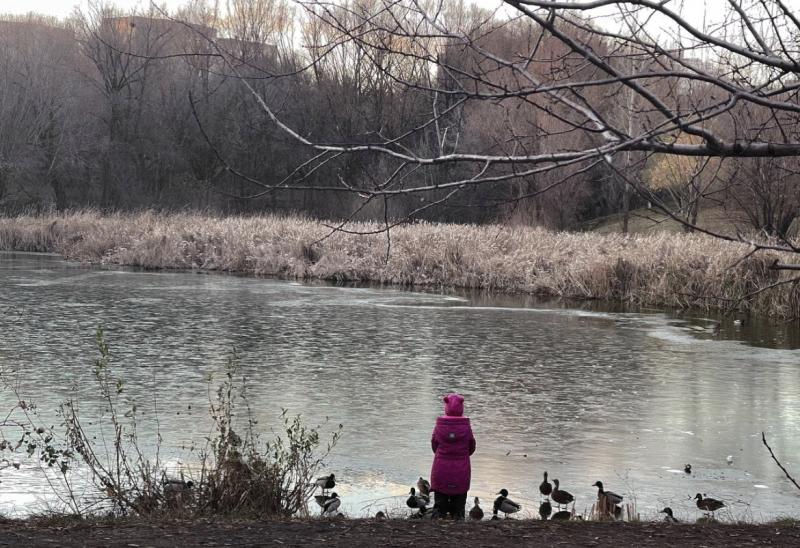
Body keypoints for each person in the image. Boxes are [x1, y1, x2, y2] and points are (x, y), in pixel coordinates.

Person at [430, 393, 476, 519]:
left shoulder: (440, 424)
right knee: (459, 502)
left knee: (440, 502)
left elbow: (434, 445)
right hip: (461, 469)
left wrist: (442, 454)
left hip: (441, 467)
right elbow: (471, 447)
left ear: (446, 407)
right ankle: (458, 519)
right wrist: (462, 455)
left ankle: (438, 519)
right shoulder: (466, 426)